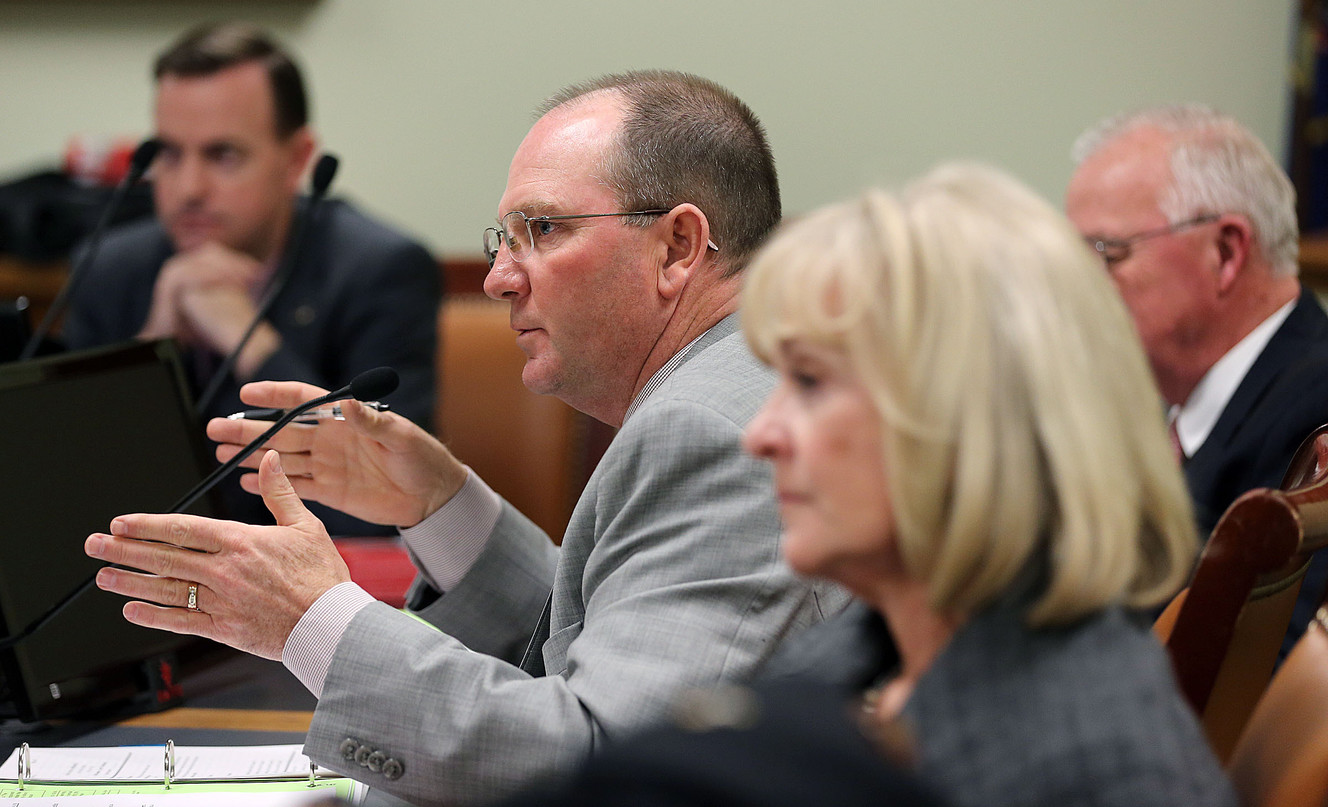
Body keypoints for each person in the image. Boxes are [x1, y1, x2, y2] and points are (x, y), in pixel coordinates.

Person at [84, 70, 847, 806]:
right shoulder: (737, 381)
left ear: (679, 246)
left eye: (542, 230)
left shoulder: (710, 430)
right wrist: (440, 504)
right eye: (502, 239)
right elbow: (613, 644)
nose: (499, 279)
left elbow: (609, 763)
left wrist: (312, 618)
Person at [730, 164, 1230, 807]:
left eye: (809, 382)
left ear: (964, 422)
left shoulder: (1103, 772)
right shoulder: (878, 652)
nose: (760, 435)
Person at [61, 22, 441, 534]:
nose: (189, 188)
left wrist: (253, 345)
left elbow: (384, 515)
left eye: (224, 156)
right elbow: (67, 499)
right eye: (170, 155)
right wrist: (152, 353)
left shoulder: (381, 271)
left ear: (296, 159)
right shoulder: (108, 269)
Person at [1065, 104, 1328, 654]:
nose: (1079, 291)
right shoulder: (1168, 407)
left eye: (1107, 254)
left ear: (1225, 252)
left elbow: (1237, 680)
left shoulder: (1314, 409)